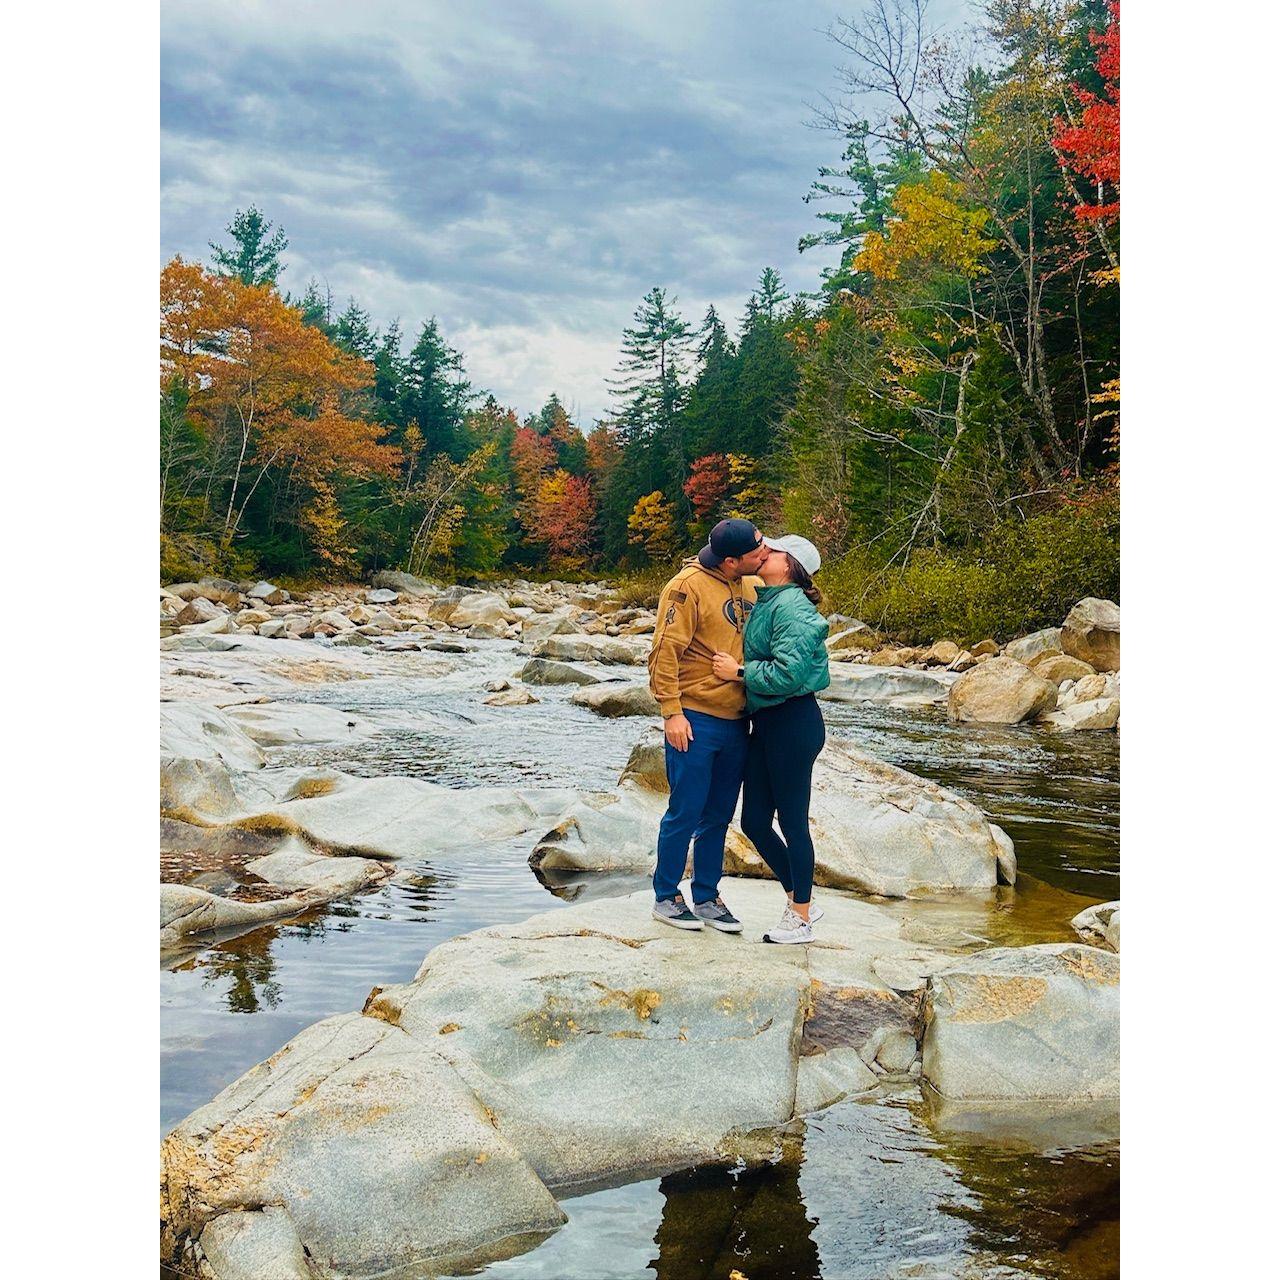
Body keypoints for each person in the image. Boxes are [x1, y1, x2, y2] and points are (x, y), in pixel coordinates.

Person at [647, 517, 770, 932]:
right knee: (685, 810)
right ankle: (665, 896)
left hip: (738, 721)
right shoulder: (686, 587)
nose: (764, 552)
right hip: (695, 719)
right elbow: (663, 652)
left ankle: (707, 896)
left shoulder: (753, 584)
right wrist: (671, 712)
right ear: (732, 560)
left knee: (719, 815)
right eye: (757, 550)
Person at [712, 534, 830, 945]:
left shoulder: (794, 608)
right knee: (755, 823)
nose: (765, 553)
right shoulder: (769, 600)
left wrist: (739, 674)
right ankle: (802, 899)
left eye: (774, 550)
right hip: (768, 723)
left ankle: (800, 919)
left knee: (793, 822)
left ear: (791, 565)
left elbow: (789, 675)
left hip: (793, 723)